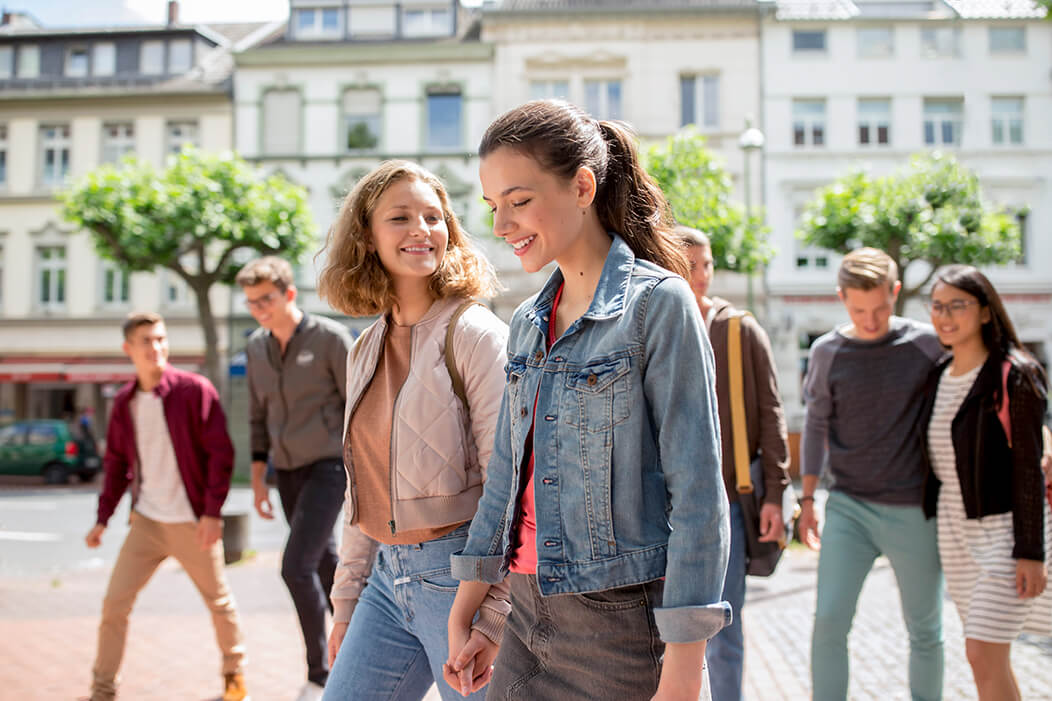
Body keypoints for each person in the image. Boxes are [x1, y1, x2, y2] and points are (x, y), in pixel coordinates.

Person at [448, 100, 730, 701]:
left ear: (582, 186)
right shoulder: (526, 320)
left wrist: (685, 664)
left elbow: (700, 495)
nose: (501, 225)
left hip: (622, 628)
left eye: (518, 201)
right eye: (493, 206)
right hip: (524, 615)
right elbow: (507, 471)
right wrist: (473, 605)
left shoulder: (659, 305)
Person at [316, 160, 510, 701]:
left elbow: (509, 483)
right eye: (399, 217)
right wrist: (346, 602)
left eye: (433, 216)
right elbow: (363, 489)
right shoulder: (364, 348)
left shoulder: (476, 334)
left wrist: (493, 609)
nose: (421, 230)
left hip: (459, 579)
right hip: (384, 578)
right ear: (366, 237)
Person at [798, 247, 947, 701]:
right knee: (828, 622)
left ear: (895, 292)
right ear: (841, 297)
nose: (871, 319)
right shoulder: (828, 352)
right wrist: (806, 503)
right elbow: (816, 426)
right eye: (859, 309)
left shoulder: (926, 344)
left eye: (881, 307)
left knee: (925, 628)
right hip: (849, 508)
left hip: (914, 510)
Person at [83, 312, 248, 701]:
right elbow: (117, 465)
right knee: (114, 603)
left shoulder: (194, 390)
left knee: (219, 602)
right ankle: (102, 691)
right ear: (128, 349)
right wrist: (102, 519)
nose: (156, 347)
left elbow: (220, 456)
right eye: (146, 341)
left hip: (193, 522)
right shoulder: (124, 403)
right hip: (147, 522)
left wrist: (211, 515)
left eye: (160, 339)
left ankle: (234, 676)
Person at [921, 265, 1050, 701]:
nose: (945, 316)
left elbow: (1029, 467)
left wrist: (1030, 552)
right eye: (938, 306)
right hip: (955, 533)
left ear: (985, 312)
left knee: (982, 650)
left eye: (958, 305)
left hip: (1006, 530)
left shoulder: (1015, 374)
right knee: (986, 657)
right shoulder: (937, 375)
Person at [675, 226, 791, 701]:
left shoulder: (739, 329)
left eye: (707, 264)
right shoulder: (653, 325)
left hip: (729, 501)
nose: (701, 276)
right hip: (665, 504)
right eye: (690, 265)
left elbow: (771, 414)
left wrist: (777, 496)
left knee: (722, 623)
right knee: (658, 628)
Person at [237, 256, 353, 701]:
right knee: (324, 563)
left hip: (328, 467)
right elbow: (256, 415)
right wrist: (259, 476)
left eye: (265, 299)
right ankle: (363, 639)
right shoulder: (255, 348)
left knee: (295, 566)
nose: (259, 309)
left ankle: (319, 673)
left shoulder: (329, 339)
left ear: (289, 293)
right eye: (251, 302)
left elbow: (358, 404)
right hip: (285, 472)